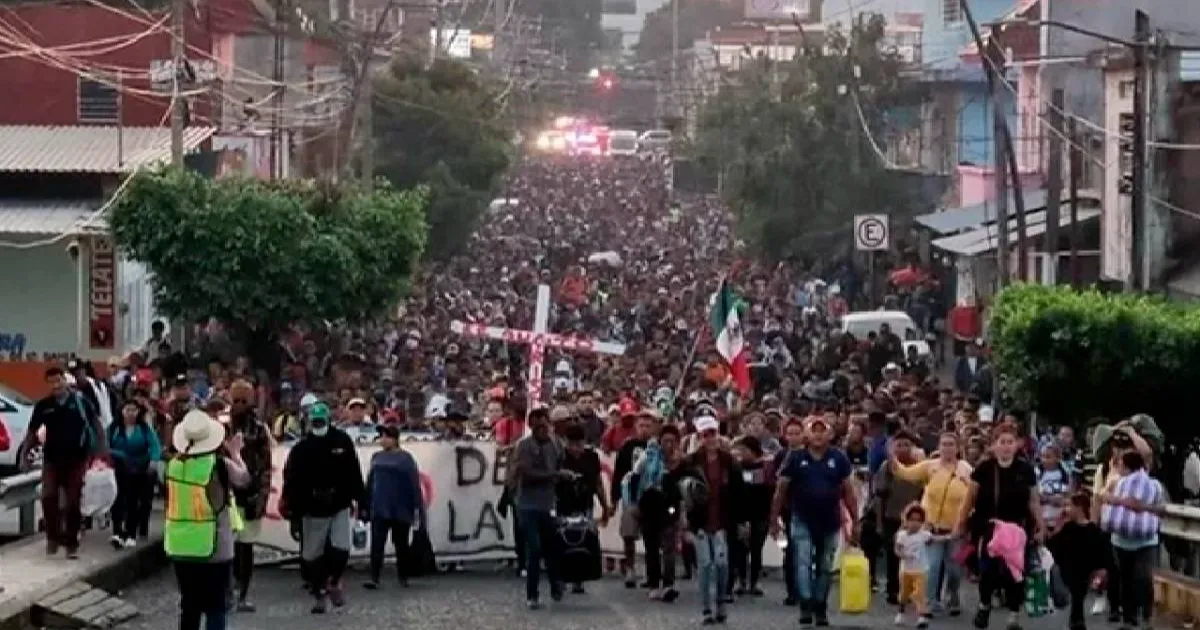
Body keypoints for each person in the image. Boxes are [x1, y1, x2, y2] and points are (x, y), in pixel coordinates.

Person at [164, 409, 251, 630]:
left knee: (189, 606)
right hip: (215, 547)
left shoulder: (173, 466)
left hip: (180, 545)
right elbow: (244, 479)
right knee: (215, 606)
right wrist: (236, 453)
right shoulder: (219, 465)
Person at [770, 415, 859, 627]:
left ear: (830, 434)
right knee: (802, 561)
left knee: (825, 565)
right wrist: (773, 519)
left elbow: (849, 491)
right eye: (814, 430)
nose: (818, 435)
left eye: (823, 430)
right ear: (807, 434)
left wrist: (855, 521)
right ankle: (806, 603)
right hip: (802, 518)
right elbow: (780, 490)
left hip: (830, 520)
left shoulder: (839, 458)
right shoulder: (795, 457)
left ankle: (820, 605)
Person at [955, 425, 1044, 630]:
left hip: (1018, 529)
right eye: (1002, 442)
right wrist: (961, 523)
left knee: (1016, 573)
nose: (1006, 447)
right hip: (989, 528)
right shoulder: (984, 468)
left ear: (1017, 445)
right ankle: (984, 605)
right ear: (994, 445)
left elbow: (1033, 501)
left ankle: (1013, 615)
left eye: (1010, 442)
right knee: (988, 571)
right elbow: (970, 498)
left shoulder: (1026, 470)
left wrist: (1040, 526)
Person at [281, 402, 365, 613]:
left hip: (339, 504)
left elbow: (354, 471)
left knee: (342, 549)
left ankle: (334, 582)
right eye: (315, 421)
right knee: (311, 556)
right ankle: (319, 592)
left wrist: (361, 500)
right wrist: (292, 510)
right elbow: (291, 479)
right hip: (312, 508)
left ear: (328, 420)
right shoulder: (301, 449)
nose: (318, 424)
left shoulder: (342, 441)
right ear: (310, 422)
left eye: (321, 421)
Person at [22, 366, 108, 558]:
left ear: (64, 380)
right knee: (48, 496)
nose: (56, 385)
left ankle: (71, 543)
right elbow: (32, 433)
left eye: (58, 380)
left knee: (72, 502)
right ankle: (52, 538)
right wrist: (24, 456)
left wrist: (101, 452)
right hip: (52, 458)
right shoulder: (44, 405)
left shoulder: (80, 402)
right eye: (51, 382)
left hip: (76, 459)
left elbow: (96, 425)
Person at [889, 432, 973, 615]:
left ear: (958, 448)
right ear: (939, 447)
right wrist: (891, 457)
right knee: (932, 566)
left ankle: (952, 595)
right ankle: (929, 602)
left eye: (951, 444)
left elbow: (974, 493)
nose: (947, 448)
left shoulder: (965, 469)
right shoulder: (930, 467)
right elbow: (904, 473)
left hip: (956, 529)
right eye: (944, 444)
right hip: (931, 528)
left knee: (954, 570)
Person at [682, 414, 747, 625]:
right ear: (699, 437)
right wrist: (682, 519)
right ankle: (706, 609)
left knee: (721, 564)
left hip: (722, 521)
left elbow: (739, 492)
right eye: (706, 435)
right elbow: (674, 486)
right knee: (705, 564)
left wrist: (741, 522)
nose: (710, 439)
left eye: (713, 434)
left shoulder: (729, 461)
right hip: (699, 522)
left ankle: (720, 603)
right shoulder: (690, 461)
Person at [1097, 450, 1164, 630]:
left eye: (1120, 464)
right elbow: (1103, 496)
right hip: (1120, 541)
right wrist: (1122, 501)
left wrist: (1141, 506)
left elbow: (1162, 508)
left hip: (1146, 542)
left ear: (1126, 465)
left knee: (1142, 577)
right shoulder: (1116, 482)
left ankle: (1147, 618)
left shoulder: (1154, 485)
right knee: (1125, 580)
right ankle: (1129, 619)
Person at [513, 407, 569, 609]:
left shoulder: (555, 445)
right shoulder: (523, 446)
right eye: (538, 425)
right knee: (534, 549)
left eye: (545, 424)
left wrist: (564, 475)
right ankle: (532, 594)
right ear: (531, 426)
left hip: (547, 504)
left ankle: (556, 583)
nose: (542, 428)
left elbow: (561, 463)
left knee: (552, 547)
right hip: (528, 505)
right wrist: (555, 475)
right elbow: (527, 473)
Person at [227, 380, 273, 613]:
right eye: (236, 400)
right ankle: (228, 593)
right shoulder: (222, 428)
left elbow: (266, 466)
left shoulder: (259, 429)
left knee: (245, 548)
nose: (239, 406)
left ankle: (241, 594)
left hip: (250, 495)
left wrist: (263, 496)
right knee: (227, 547)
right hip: (227, 495)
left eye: (244, 401)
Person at [362, 424, 424, 590]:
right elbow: (370, 482)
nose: (382, 440)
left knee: (401, 545)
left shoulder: (405, 459)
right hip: (380, 507)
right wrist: (365, 504)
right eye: (381, 436)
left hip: (400, 508)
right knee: (377, 544)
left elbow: (414, 484)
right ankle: (374, 577)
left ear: (394, 439)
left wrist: (417, 507)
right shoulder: (376, 457)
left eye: (386, 436)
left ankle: (403, 576)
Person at [556, 423, 611, 594]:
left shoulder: (591, 457)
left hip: (585, 504)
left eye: (579, 444)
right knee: (561, 542)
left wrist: (604, 505)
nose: (576, 448)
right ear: (565, 442)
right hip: (563, 505)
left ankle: (578, 579)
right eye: (572, 444)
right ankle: (561, 576)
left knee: (583, 541)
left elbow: (597, 482)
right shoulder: (559, 457)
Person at [1047, 493, 1108, 630]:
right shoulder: (1068, 528)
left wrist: (1101, 570)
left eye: (1070, 506)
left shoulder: (1093, 531)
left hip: (1084, 571)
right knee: (1075, 596)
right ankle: (1076, 621)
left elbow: (1102, 553)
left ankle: (1076, 622)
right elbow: (1053, 544)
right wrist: (1059, 523)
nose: (1067, 509)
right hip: (1067, 569)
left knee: (1078, 595)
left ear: (1079, 507)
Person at [108, 399, 162, 547]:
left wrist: (154, 460)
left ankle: (131, 532)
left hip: (139, 469)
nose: (131, 413)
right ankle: (117, 531)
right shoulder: (114, 428)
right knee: (117, 500)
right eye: (127, 410)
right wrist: (118, 455)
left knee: (133, 501)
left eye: (134, 410)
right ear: (122, 411)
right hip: (119, 468)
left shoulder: (144, 429)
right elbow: (106, 446)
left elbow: (154, 445)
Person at [612, 409, 656, 588]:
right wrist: (614, 498)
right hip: (631, 497)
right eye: (641, 425)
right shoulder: (627, 447)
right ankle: (629, 568)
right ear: (636, 427)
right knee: (628, 534)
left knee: (651, 536)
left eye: (648, 425)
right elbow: (619, 472)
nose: (644, 429)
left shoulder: (658, 447)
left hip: (652, 498)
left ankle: (651, 572)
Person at [894, 503, 933, 628]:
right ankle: (901, 612)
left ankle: (921, 617)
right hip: (906, 570)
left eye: (918, 520)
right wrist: (904, 555)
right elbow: (897, 550)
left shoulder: (924, 535)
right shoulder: (902, 536)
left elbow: (935, 539)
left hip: (921, 570)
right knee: (904, 594)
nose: (915, 523)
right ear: (906, 520)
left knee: (920, 593)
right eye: (912, 520)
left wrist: (950, 537)